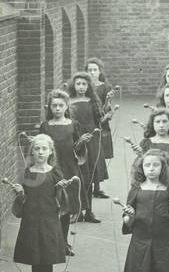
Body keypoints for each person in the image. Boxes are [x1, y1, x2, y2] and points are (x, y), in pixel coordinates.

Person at [10, 134, 74, 272]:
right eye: (37, 149)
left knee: (48, 256)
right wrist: (20, 194)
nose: (40, 152)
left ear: (51, 151)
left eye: (44, 148)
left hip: (49, 220)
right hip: (31, 220)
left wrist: (61, 190)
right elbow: (24, 198)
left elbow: (61, 202)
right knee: (35, 256)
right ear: (32, 152)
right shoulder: (29, 172)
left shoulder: (55, 172)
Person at [38, 89, 85, 254]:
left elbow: (79, 151)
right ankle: (51, 242)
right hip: (51, 171)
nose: (57, 108)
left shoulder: (74, 125)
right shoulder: (45, 127)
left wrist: (82, 144)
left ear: (66, 107)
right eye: (54, 105)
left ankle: (63, 243)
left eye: (60, 105)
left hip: (70, 169)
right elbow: (40, 150)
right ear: (49, 108)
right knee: (51, 207)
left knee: (66, 207)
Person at [67, 72, 104, 222]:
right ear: (73, 86)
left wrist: (104, 118)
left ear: (88, 86)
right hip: (76, 139)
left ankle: (89, 211)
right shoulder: (69, 101)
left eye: (84, 84)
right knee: (77, 175)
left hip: (91, 141)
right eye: (78, 84)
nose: (81, 87)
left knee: (89, 176)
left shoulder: (92, 101)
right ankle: (77, 210)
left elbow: (99, 121)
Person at [85, 58, 116, 199]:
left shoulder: (104, 87)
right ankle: (88, 186)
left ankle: (96, 187)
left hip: (100, 124)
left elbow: (105, 109)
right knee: (88, 155)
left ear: (100, 71)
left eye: (94, 70)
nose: (92, 72)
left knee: (98, 155)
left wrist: (109, 102)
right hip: (86, 122)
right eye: (89, 70)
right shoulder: (83, 86)